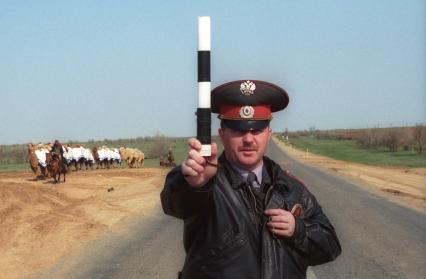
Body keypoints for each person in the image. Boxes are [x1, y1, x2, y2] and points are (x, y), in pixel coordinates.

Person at [161, 80, 341, 279]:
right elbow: (175, 203)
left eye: (256, 130)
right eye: (238, 130)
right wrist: (193, 184)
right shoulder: (205, 185)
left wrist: (298, 230)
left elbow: (330, 246)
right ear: (222, 134)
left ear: (269, 134)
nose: (248, 139)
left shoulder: (291, 189)